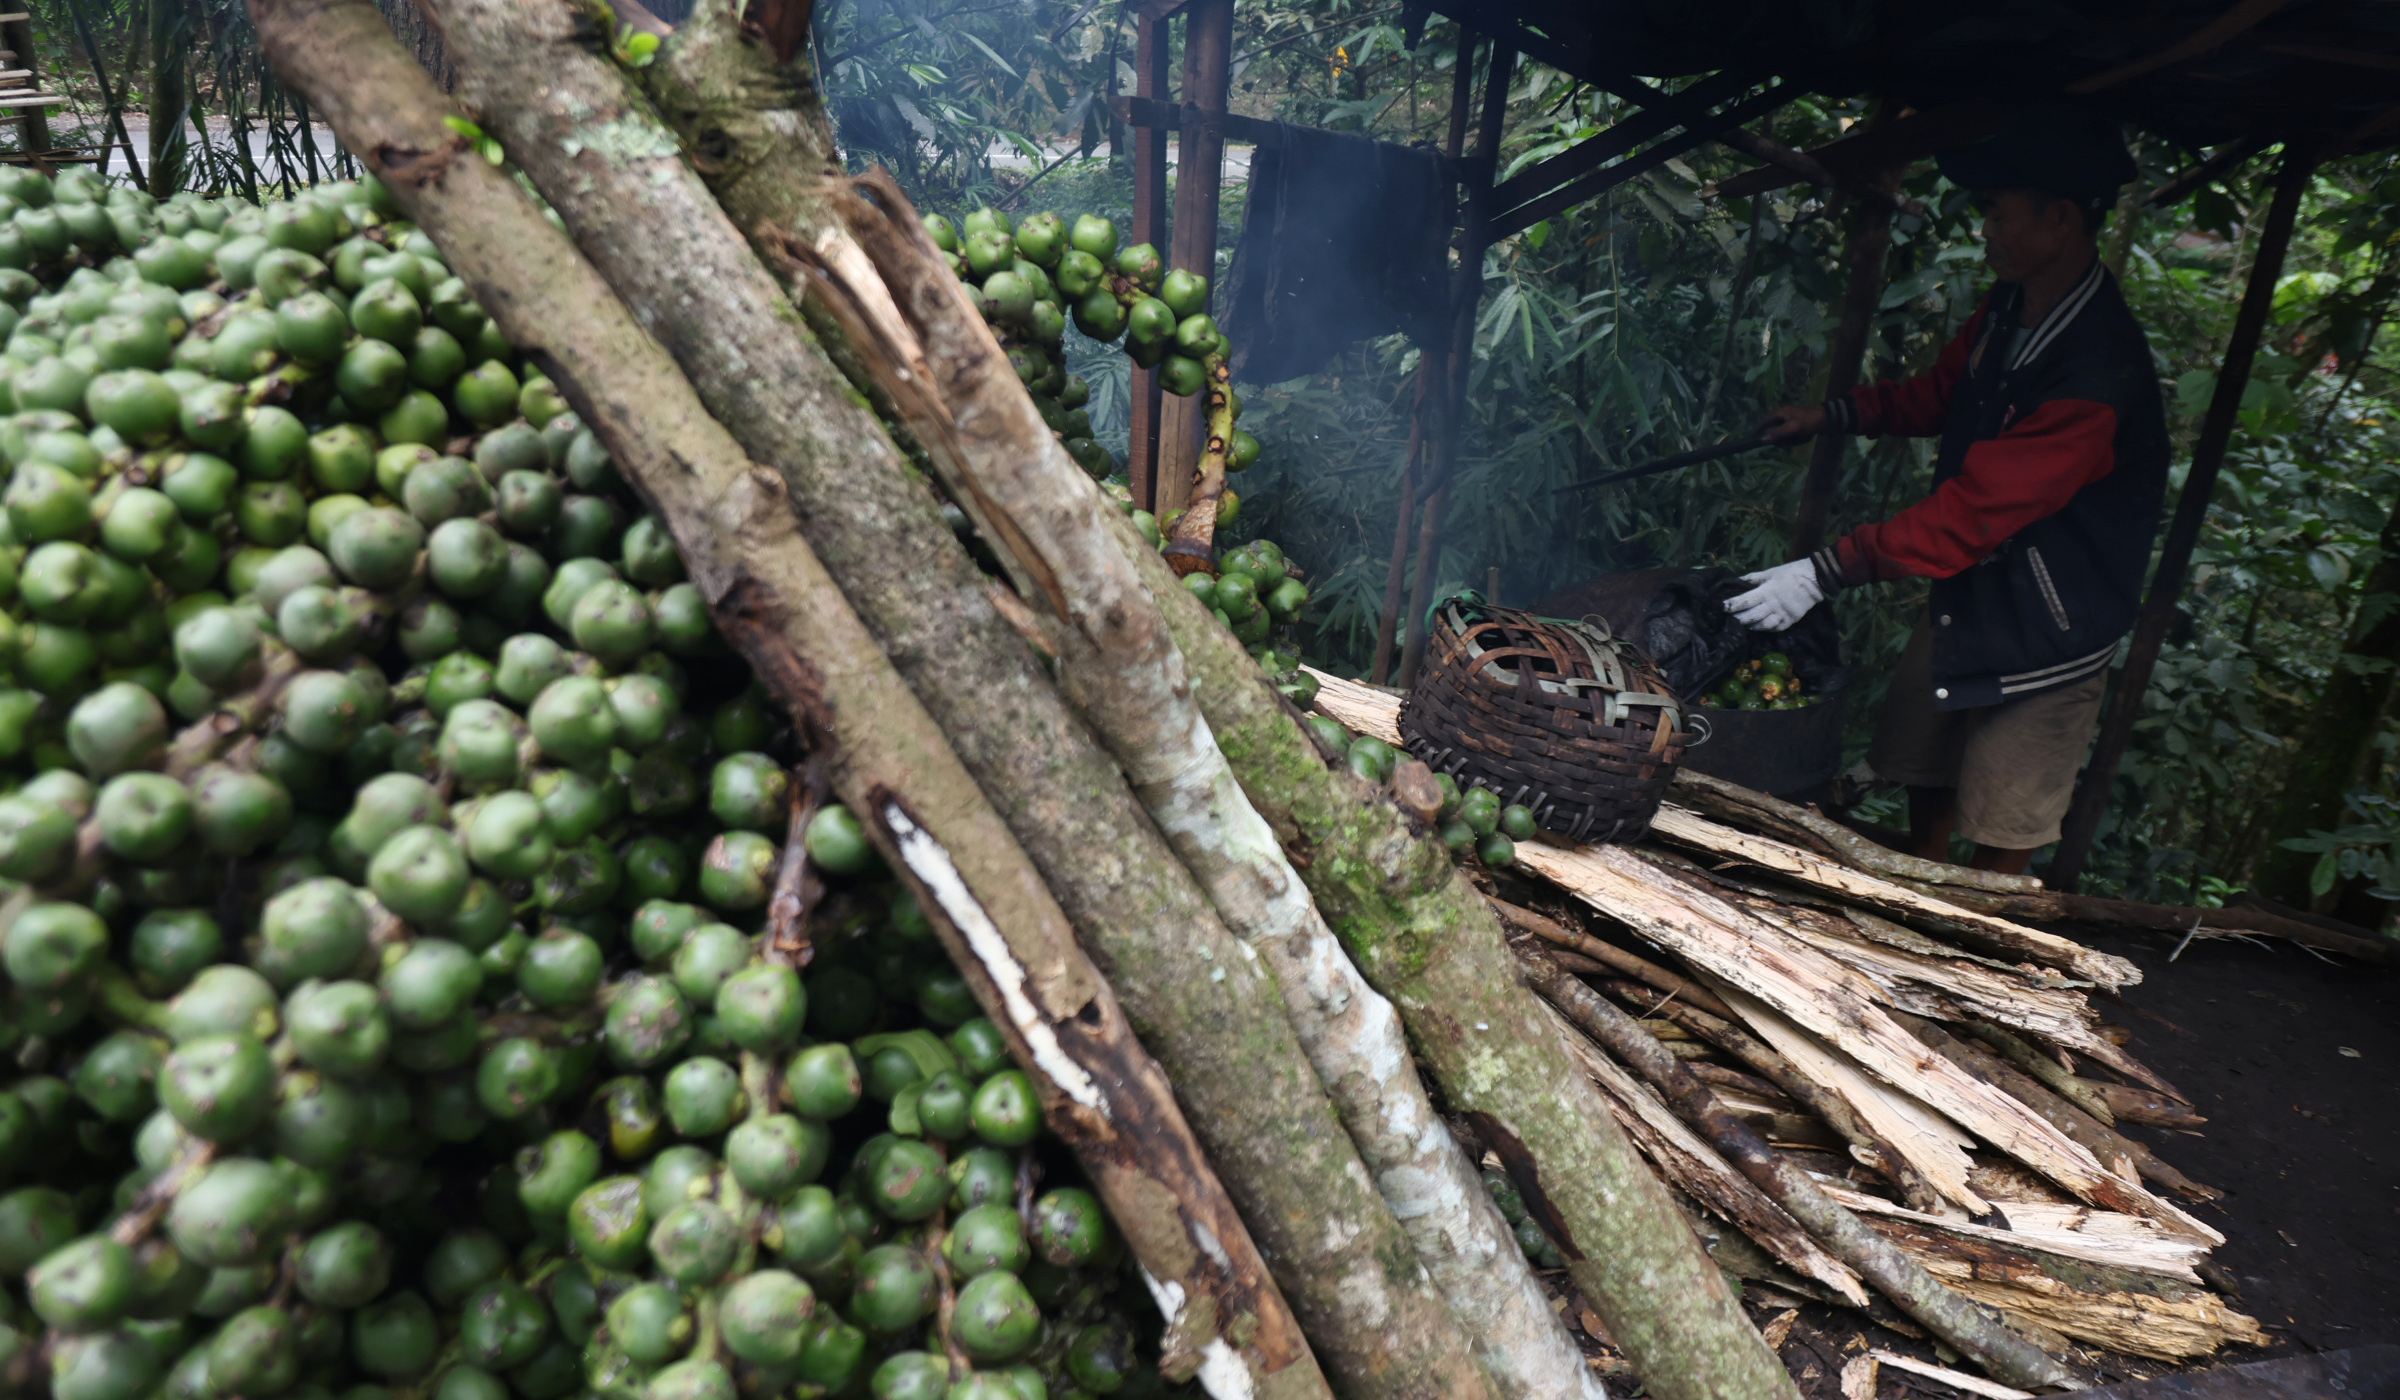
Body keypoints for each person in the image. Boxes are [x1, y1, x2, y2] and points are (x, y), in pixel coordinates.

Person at [1723, 105, 2167, 875]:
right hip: (1977, 586)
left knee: (2005, 817)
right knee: (1922, 752)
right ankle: (1916, 885)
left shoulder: (2098, 371)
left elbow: (1980, 508)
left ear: (2059, 219)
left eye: (1998, 211)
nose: (1985, 228)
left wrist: (1826, 571)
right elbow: (1941, 396)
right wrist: (1833, 414)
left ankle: (1981, 944)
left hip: (2052, 621)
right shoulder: (2008, 309)